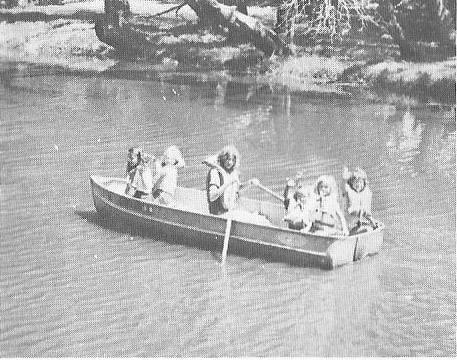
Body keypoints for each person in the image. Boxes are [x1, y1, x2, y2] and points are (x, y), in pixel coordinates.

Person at [204, 145, 259, 216]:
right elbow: (212, 196)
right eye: (227, 159)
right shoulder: (215, 172)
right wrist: (228, 183)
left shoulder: (232, 173)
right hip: (218, 214)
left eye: (232, 160)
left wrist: (250, 183)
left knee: (255, 215)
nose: (230, 162)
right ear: (222, 159)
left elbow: (237, 188)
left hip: (230, 211)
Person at [342, 167, 376, 232]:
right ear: (351, 183)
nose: (358, 184)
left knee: (369, 228)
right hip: (351, 225)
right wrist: (344, 179)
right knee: (367, 229)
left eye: (360, 182)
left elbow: (367, 213)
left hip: (363, 223)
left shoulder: (366, 192)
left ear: (364, 183)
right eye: (355, 182)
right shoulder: (349, 192)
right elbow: (343, 187)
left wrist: (372, 221)